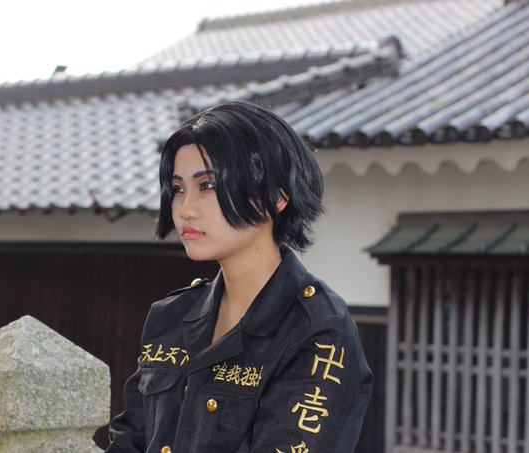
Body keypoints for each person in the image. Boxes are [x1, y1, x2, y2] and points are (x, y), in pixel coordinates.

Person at [106, 101, 372, 453]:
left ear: (277, 195)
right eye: (179, 188)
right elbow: (129, 441)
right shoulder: (170, 316)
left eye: (207, 185)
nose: (185, 209)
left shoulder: (319, 329)